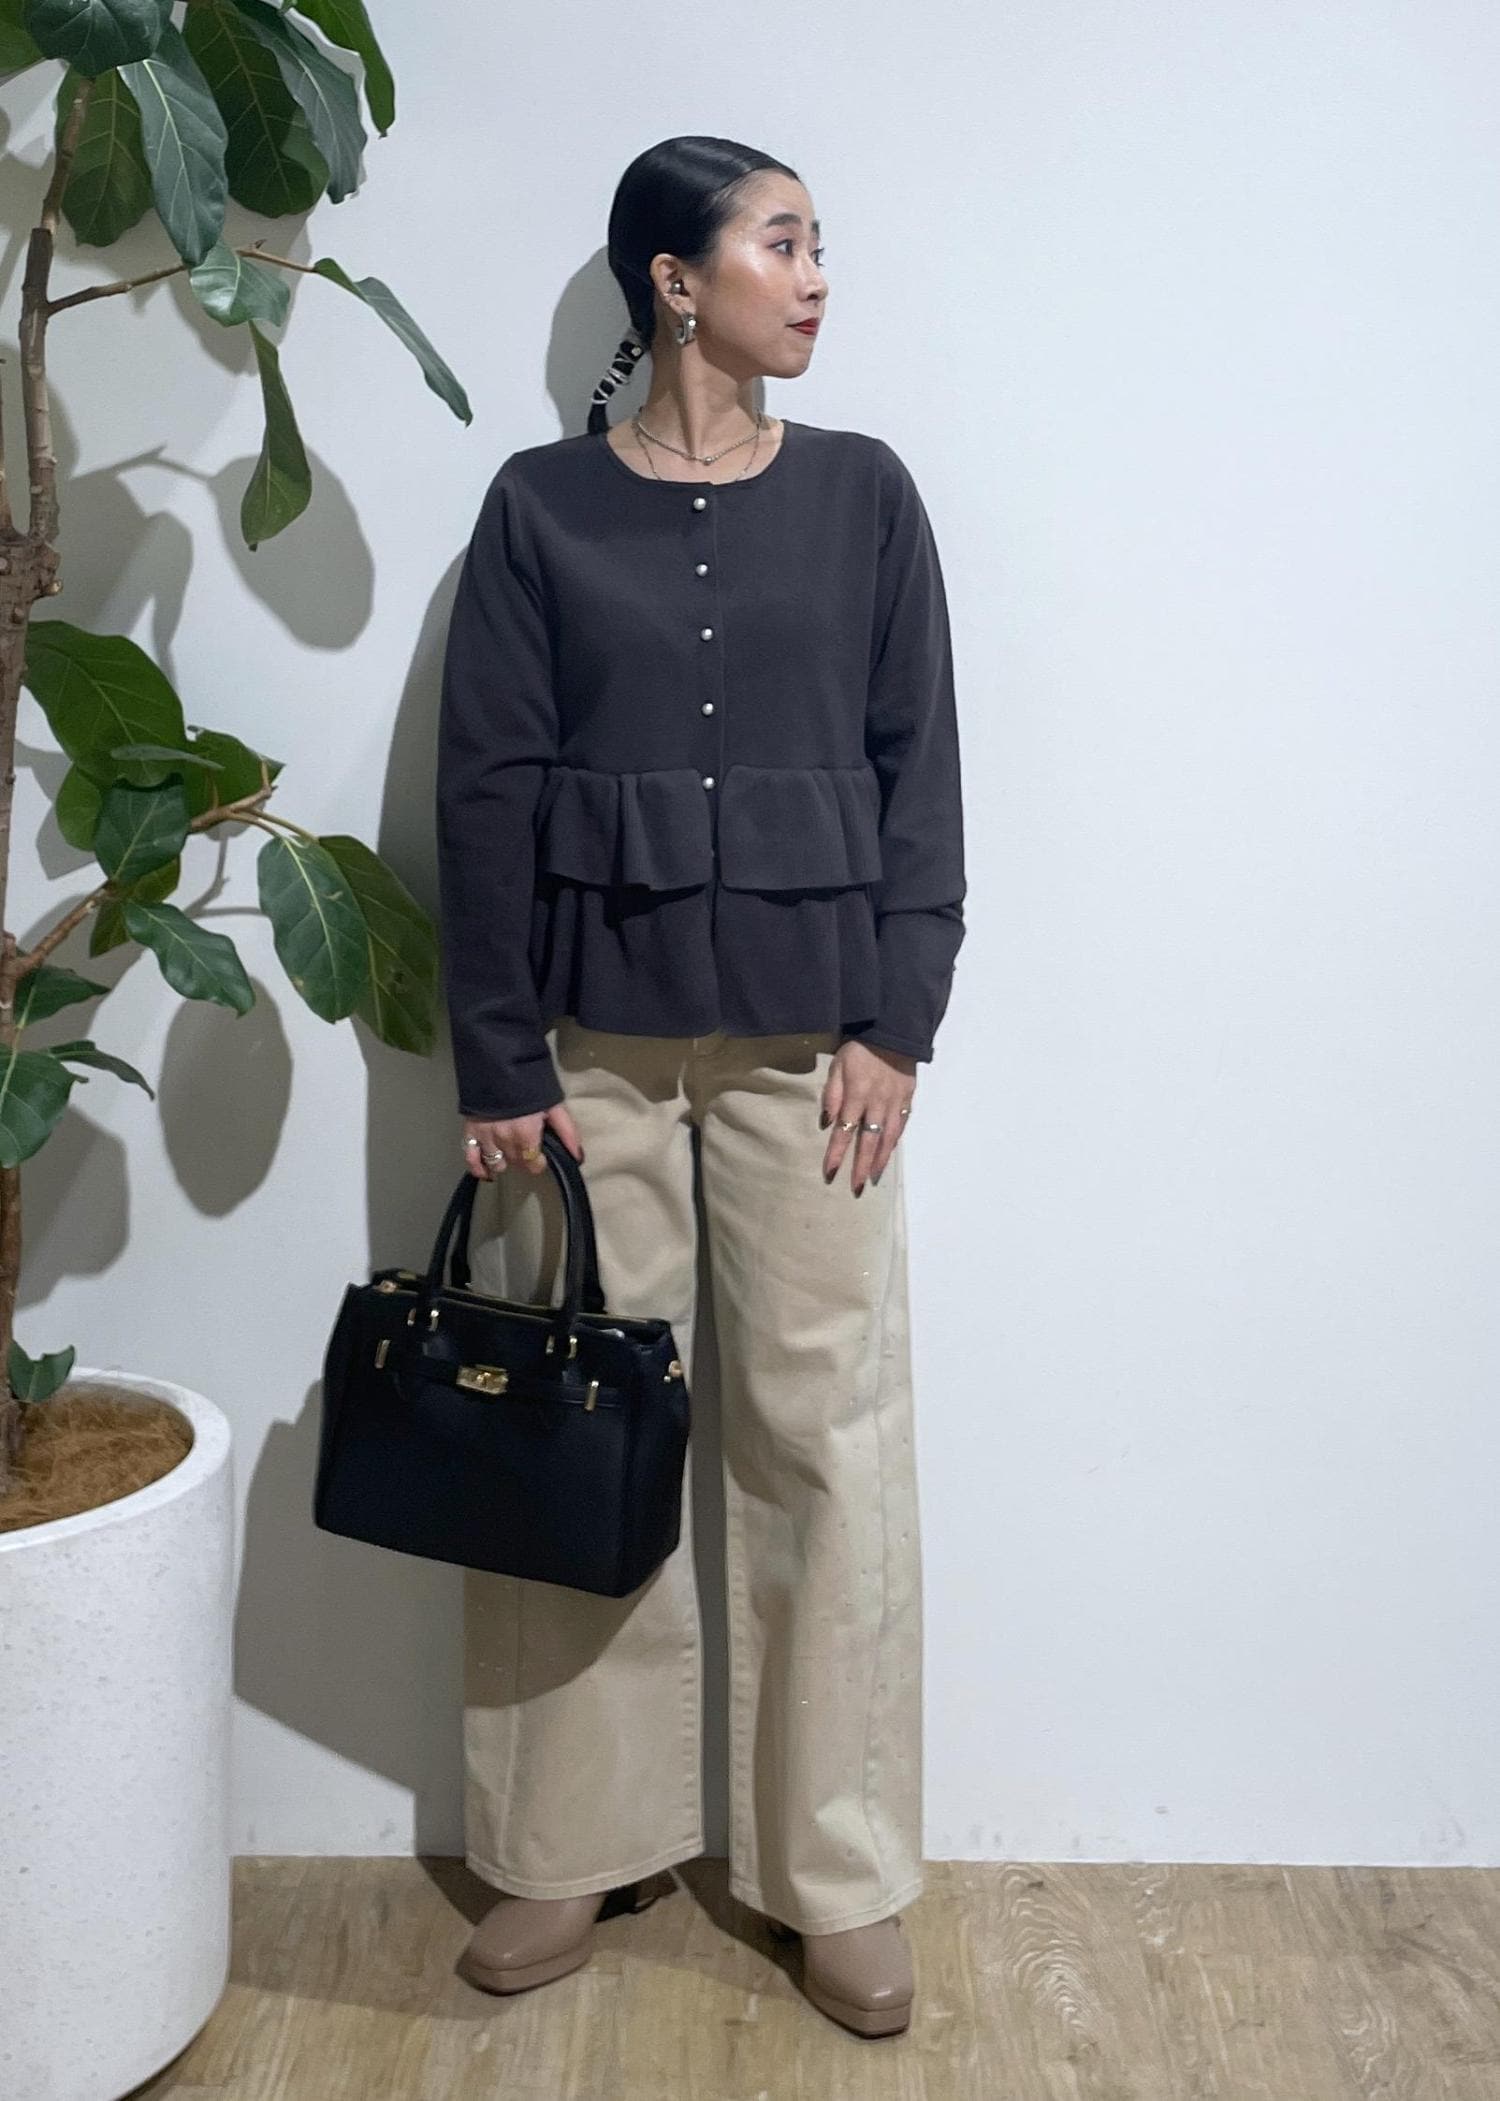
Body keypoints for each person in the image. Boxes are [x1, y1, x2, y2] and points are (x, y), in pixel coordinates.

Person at [433, 134, 966, 2041]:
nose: (817, 277)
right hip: (588, 1055)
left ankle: (837, 1870)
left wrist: (899, 1017)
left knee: (827, 1448)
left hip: (814, 1050)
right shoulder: (539, 509)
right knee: (581, 1435)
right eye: (782, 242)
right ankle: (567, 1841)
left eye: (820, 244)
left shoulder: (865, 494)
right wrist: (498, 1048)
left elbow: (921, 766)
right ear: (676, 280)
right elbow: (486, 787)